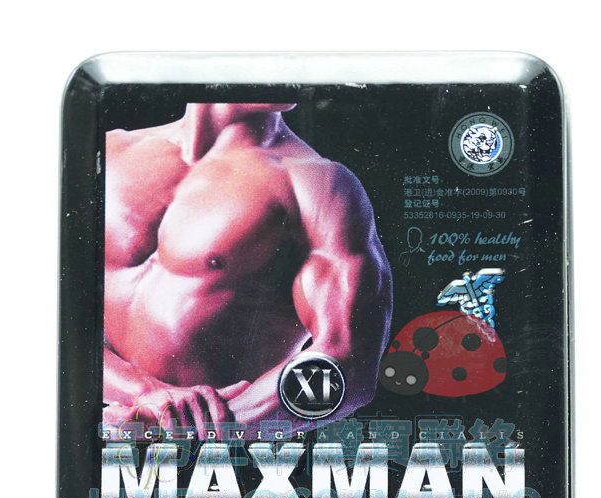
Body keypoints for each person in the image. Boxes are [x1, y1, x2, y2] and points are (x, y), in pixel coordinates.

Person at [103, 102, 392, 437]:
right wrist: (144, 393)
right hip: (98, 437)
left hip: (227, 456)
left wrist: (195, 425)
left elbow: (348, 362)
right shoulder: (109, 153)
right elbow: (60, 319)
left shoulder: (315, 184)